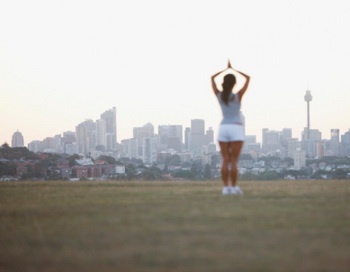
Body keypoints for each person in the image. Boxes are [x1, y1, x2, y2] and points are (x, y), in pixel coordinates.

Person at [211, 60, 250, 195]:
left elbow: (212, 78)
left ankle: (226, 188)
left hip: (224, 127)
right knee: (234, 160)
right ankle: (234, 188)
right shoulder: (238, 96)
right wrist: (233, 69)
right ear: (234, 84)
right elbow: (248, 78)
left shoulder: (220, 95)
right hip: (236, 128)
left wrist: (224, 70)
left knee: (225, 159)